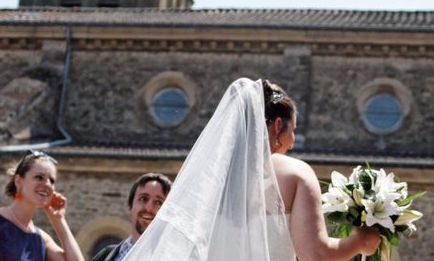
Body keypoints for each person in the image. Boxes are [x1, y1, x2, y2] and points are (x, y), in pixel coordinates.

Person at [122, 78, 381, 261]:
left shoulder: (208, 179)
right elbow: (316, 255)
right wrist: (360, 242)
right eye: (293, 130)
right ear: (279, 125)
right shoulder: (296, 174)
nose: (292, 142)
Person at [0, 150, 84, 261]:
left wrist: (58, 220)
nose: (47, 184)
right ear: (18, 181)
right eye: (39, 177)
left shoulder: (42, 239)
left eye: (52, 180)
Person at [92, 173, 172, 261]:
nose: (149, 208)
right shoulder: (105, 256)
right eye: (143, 199)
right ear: (130, 207)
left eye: (159, 203)